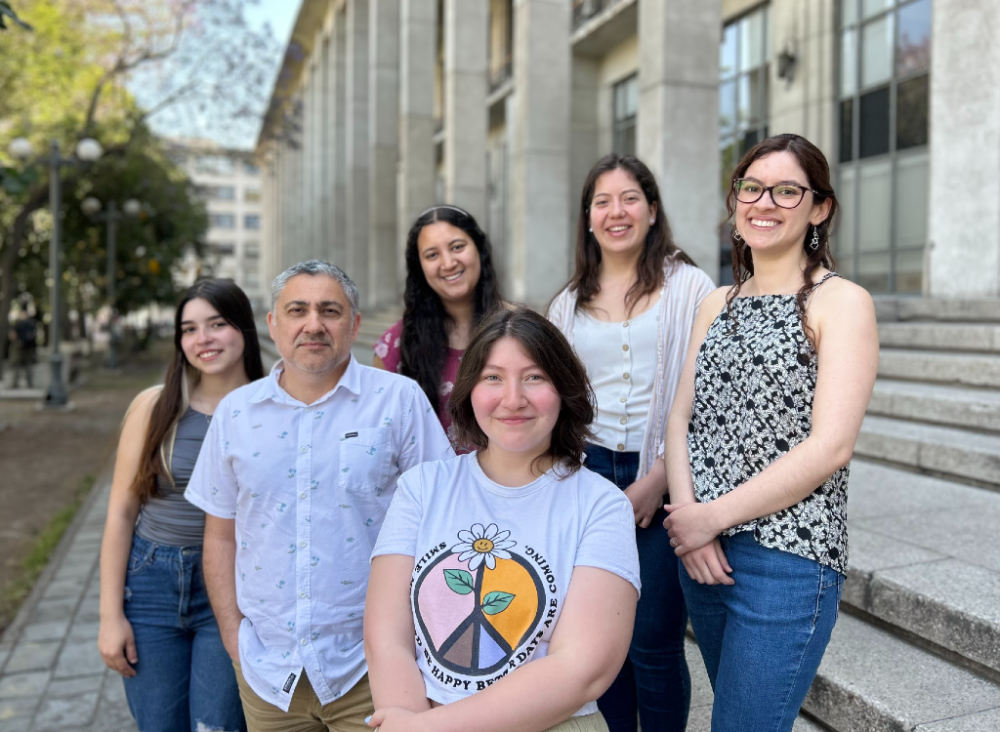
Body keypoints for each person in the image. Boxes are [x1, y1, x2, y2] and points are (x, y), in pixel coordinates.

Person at [663, 133, 878, 732]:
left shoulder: (842, 303)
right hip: (702, 555)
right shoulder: (716, 302)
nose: (765, 203)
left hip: (787, 560)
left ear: (820, 208)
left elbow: (830, 446)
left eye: (788, 190)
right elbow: (682, 418)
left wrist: (713, 516)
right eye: (752, 188)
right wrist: (688, 521)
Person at [185, 261, 453, 732]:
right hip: (269, 674)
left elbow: (444, 522)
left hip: (375, 666)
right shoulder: (235, 414)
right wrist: (232, 634)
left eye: (330, 310)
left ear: (353, 325)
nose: (314, 324)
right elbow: (221, 535)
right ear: (274, 324)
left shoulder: (400, 401)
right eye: (297, 310)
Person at [366, 307, 640, 732]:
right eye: (493, 377)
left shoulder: (601, 504)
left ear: (563, 389)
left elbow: (582, 669)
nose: (513, 399)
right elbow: (387, 637)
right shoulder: (422, 487)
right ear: (470, 389)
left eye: (534, 377)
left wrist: (431, 729)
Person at [547, 153, 714, 732]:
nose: (616, 211)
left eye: (629, 198)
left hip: (669, 475)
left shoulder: (691, 287)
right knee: (602, 638)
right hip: (586, 476)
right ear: (588, 218)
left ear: (652, 209)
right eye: (602, 201)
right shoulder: (566, 304)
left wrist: (660, 477)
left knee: (652, 638)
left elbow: (707, 396)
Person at [98, 278, 264, 732]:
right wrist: (110, 616)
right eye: (189, 329)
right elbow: (120, 514)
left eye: (217, 323)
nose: (203, 338)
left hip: (232, 588)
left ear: (244, 329)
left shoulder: (272, 406)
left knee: (218, 725)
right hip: (150, 584)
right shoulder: (155, 407)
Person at [373, 205, 503, 452]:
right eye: (432, 255)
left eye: (457, 247)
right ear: (419, 267)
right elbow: (382, 437)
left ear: (480, 249)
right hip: (428, 487)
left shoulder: (519, 328)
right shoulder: (395, 345)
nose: (448, 263)